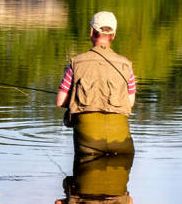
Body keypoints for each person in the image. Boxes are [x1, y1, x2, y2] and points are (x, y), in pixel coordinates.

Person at [56, 11, 135, 158]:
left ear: (91, 31)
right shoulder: (127, 65)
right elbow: (129, 103)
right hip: (122, 144)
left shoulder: (76, 63)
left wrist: (75, 99)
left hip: (88, 143)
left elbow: (60, 101)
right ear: (114, 35)